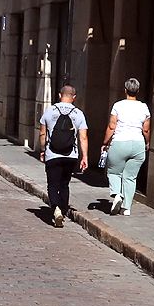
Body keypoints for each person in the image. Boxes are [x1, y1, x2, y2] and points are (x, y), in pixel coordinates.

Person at [37, 84, 89, 227]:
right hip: (70, 155)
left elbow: (42, 133)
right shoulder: (78, 113)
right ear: (74, 97)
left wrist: (42, 149)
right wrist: (84, 157)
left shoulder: (50, 111)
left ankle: (56, 209)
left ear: (60, 95)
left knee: (52, 185)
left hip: (52, 154)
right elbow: (83, 137)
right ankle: (63, 210)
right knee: (64, 184)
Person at [102, 77, 151, 215]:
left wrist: (105, 142)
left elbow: (112, 126)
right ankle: (127, 208)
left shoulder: (118, 105)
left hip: (120, 142)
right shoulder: (144, 107)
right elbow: (146, 129)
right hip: (137, 144)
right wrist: (147, 142)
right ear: (138, 91)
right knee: (130, 177)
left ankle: (117, 195)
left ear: (125, 90)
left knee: (113, 171)